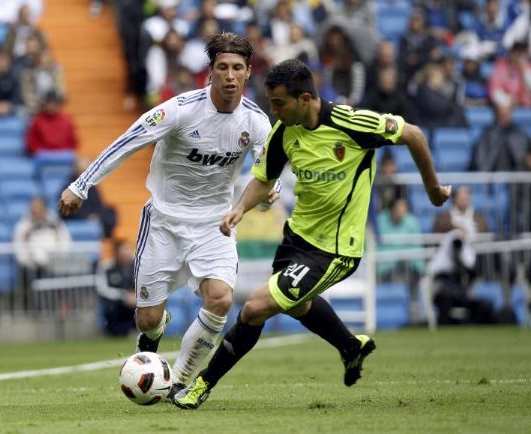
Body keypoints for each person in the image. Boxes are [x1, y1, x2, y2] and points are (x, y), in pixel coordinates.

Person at [173, 59, 451, 410]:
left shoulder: (352, 123)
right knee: (297, 303)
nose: (273, 112)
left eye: (279, 104)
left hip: (336, 249)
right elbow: (264, 179)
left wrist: (433, 190)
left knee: (255, 308)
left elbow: (414, 134)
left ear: (305, 99)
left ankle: (200, 385)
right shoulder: (284, 133)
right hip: (297, 239)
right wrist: (240, 209)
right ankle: (351, 346)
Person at [59, 33, 274, 399]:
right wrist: (81, 185)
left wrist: (272, 193)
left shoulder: (255, 122)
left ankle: (180, 382)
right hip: (163, 222)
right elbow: (127, 142)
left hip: (215, 225)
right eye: (222, 67)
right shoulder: (179, 110)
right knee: (147, 319)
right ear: (210, 72)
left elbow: (269, 170)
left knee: (221, 298)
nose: (230, 75)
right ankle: (155, 336)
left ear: (248, 72)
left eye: (238, 68)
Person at [96, 240, 137, 336]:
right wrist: (123, 295)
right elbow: (102, 288)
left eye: (128, 251)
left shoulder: (138, 266)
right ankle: (115, 332)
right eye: (123, 252)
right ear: (117, 253)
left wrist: (136, 297)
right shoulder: (106, 266)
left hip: (136, 301)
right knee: (112, 307)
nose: (126, 254)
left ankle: (139, 332)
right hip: (115, 303)